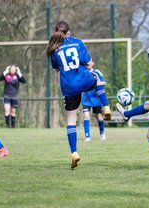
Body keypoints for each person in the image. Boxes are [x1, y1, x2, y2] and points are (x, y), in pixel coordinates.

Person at [46, 21, 111, 169]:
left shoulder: (54, 47)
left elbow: (56, 67)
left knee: (71, 120)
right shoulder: (77, 42)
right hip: (83, 78)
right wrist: (88, 64)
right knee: (96, 79)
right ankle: (106, 106)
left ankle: (74, 152)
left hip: (68, 86)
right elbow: (89, 63)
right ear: (68, 31)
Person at [82, 61, 106, 142]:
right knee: (86, 116)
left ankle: (102, 133)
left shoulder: (97, 72)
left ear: (93, 63)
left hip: (96, 98)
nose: (88, 63)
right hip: (86, 98)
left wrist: (97, 83)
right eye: (87, 62)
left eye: (90, 62)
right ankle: (87, 136)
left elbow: (104, 82)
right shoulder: (83, 73)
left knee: (99, 117)